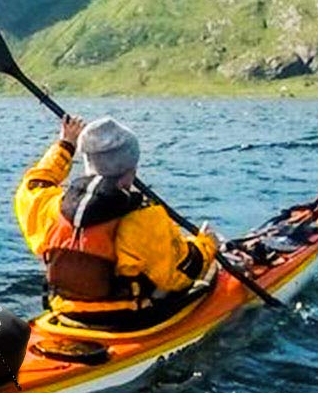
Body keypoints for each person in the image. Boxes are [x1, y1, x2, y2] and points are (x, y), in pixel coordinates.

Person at [14, 114, 220, 328]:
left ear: (87, 163)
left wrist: (65, 144)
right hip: (124, 320)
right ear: (131, 171)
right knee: (197, 276)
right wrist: (206, 244)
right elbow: (178, 274)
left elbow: (35, 181)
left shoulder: (51, 206)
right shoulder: (143, 217)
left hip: (66, 313)